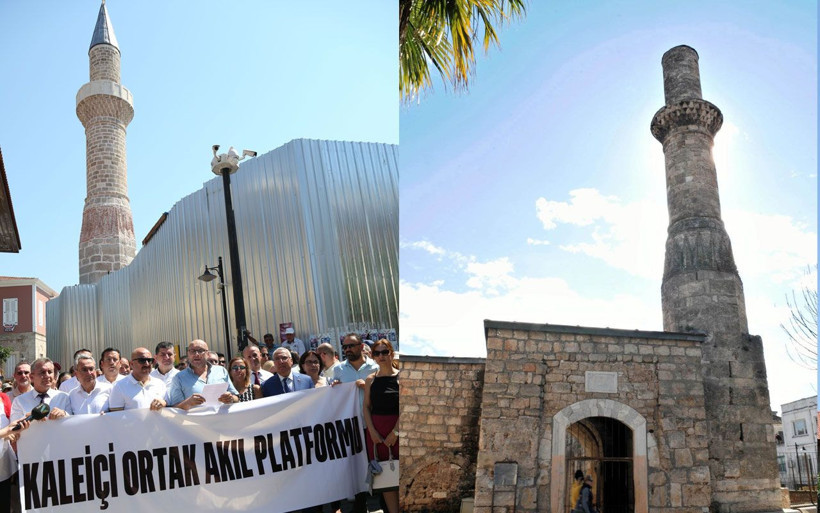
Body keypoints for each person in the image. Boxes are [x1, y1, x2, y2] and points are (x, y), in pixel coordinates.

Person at [331, 333, 377, 513]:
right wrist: (335, 387)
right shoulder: (339, 370)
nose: (348, 349)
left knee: (372, 462)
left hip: (371, 424)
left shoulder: (374, 367)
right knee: (354, 465)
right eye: (345, 347)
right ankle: (360, 503)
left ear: (360, 346)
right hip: (349, 426)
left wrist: (367, 386)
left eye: (351, 345)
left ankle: (377, 500)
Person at [363, 339, 399, 513]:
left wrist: (396, 432)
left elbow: (407, 408)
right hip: (377, 434)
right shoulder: (370, 380)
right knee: (387, 477)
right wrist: (372, 431)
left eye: (385, 352)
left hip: (398, 431)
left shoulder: (402, 377)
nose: (381, 356)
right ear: (373, 356)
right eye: (377, 353)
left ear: (391, 353)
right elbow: (366, 407)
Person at [167, 339, 238, 409]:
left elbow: (236, 398)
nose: (196, 354)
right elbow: (174, 408)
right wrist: (188, 403)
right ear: (188, 354)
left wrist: (231, 398)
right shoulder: (179, 378)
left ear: (208, 354)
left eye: (200, 351)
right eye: (192, 351)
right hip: (194, 420)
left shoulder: (221, 371)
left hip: (222, 419)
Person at [10, 358, 70, 422]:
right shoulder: (19, 401)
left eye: (50, 372)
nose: (47, 376)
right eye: (42, 372)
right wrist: (28, 418)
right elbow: (14, 427)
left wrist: (65, 414)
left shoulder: (64, 397)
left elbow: (73, 422)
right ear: (32, 377)